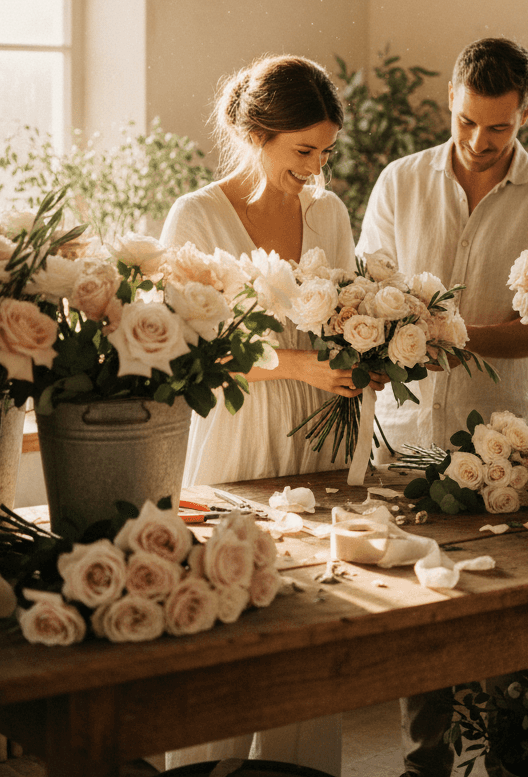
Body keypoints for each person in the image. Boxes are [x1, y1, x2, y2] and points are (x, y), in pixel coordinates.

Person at [357, 36, 528, 777]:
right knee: (415, 626)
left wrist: (449, 338)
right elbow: (369, 293)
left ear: (527, 113)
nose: (478, 142)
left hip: (505, 448)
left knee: (507, 627)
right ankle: (422, 769)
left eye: (499, 128)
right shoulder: (399, 183)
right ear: (450, 103)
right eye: (465, 122)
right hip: (406, 439)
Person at [160, 54, 376, 777]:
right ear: (257, 133)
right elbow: (190, 349)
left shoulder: (330, 212)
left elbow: (344, 315)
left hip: (318, 430)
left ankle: (300, 772)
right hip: (234, 427)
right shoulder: (196, 216)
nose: (316, 168)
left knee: (314, 613)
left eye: (326, 152)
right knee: (222, 608)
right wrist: (294, 365)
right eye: (302, 151)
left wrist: (373, 347)